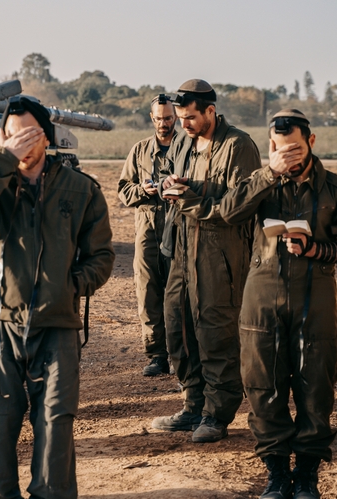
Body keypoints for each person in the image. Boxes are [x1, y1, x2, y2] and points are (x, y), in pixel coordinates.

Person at [0, 95, 114, 499]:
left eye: (22, 135)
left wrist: (70, 286)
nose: (14, 143)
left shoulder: (81, 189)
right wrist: (1, 159)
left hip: (56, 326)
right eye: (6, 136)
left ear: (44, 136)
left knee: (55, 429)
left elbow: (101, 255)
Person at [221, 110, 337, 499]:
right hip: (261, 300)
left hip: (314, 301)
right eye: (279, 148)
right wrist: (267, 173)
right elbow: (228, 212)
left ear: (312, 142)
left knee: (315, 387)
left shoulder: (335, 189)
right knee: (262, 386)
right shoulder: (260, 183)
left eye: (295, 148)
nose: (288, 155)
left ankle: (306, 473)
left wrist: (316, 248)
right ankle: (275, 472)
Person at [151, 79, 262, 443]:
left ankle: (217, 415)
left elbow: (240, 205)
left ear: (211, 111)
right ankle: (192, 405)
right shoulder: (184, 141)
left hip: (221, 253)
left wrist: (189, 197)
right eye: (180, 118)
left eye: (191, 117)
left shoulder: (238, 145)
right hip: (183, 246)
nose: (183, 124)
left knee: (215, 333)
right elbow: (188, 183)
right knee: (177, 326)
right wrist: (174, 184)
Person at [117, 94, 178, 377]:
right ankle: (157, 355)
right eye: (159, 118)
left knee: (180, 292)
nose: (163, 123)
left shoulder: (189, 148)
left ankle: (181, 353)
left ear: (175, 117)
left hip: (180, 228)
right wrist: (144, 190)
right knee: (148, 290)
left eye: (168, 118)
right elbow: (123, 190)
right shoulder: (140, 151)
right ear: (151, 118)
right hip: (147, 230)